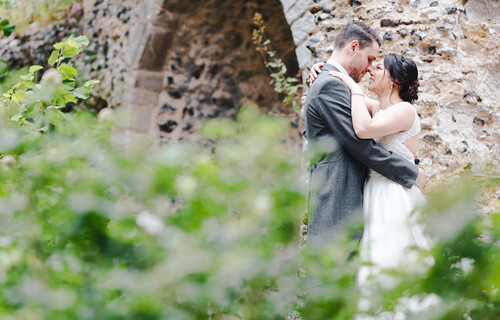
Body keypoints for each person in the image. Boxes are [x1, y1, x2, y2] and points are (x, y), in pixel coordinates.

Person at [303, 21, 428, 248]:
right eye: (370, 58)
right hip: (339, 194)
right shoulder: (331, 84)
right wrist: (410, 173)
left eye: (377, 64)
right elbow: (359, 141)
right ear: (353, 47)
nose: (370, 67)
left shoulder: (333, 82)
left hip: (370, 196)